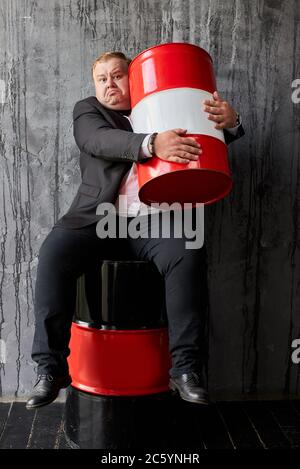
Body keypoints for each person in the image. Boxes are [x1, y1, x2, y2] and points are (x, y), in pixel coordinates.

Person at [26, 51, 244, 409]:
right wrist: (151, 143)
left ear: (135, 78)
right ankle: (50, 370)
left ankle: (187, 370)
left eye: (118, 76)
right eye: (102, 79)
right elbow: (96, 141)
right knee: (53, 253)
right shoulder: (89, 111)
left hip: (156, 219)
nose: (110, 84)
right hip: (98, 220)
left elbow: (203, 139)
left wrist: (230, 123)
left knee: (188, 253)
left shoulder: (164, 102)